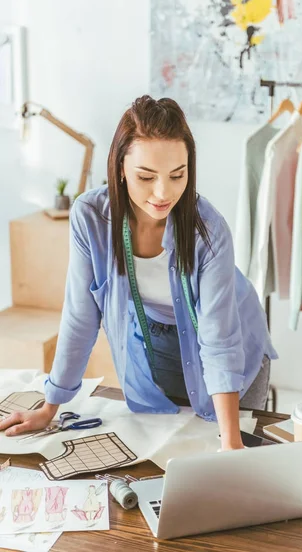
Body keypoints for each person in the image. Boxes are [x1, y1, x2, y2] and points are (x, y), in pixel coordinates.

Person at [0, 96, 277, 450]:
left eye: (178, 175)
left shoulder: (208, 228)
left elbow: (219, 338)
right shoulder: (91, 217)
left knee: (225, 468)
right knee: (166, 455)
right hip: (157, 345)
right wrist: (50, 406)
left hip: (234, 348)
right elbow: (80, 318)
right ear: (119, 169)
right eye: (146, 177)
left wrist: (232, 443)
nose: (163, 193)